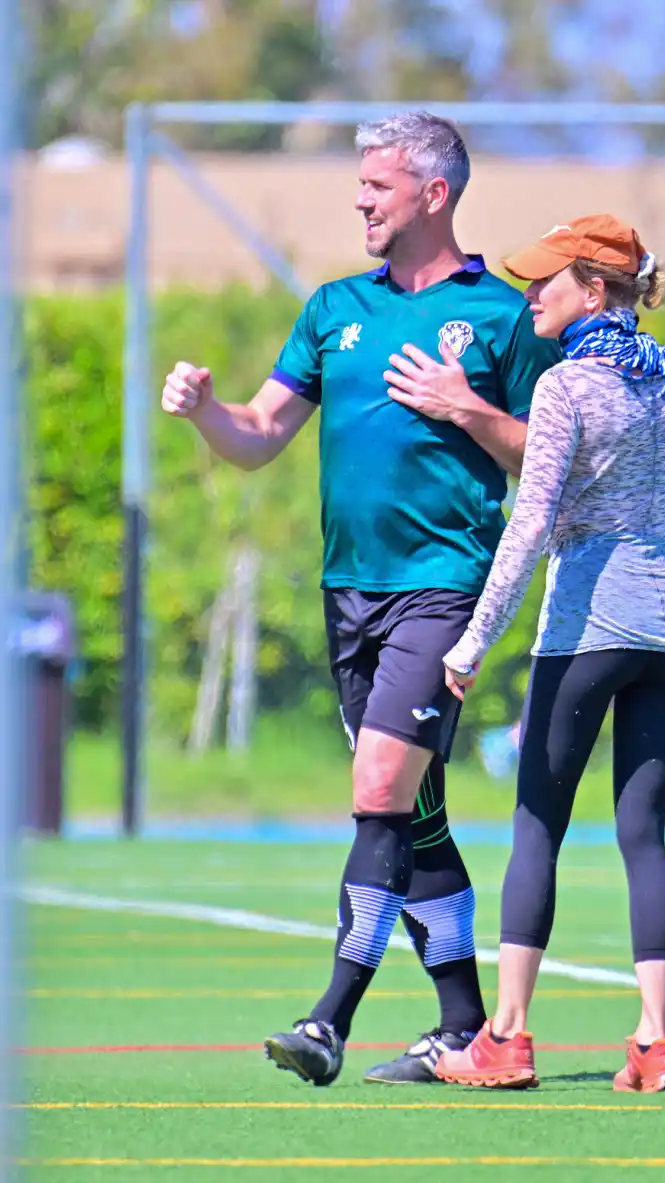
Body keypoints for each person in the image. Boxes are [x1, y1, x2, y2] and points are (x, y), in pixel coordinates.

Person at [160, 111, 559, 1086]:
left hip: (443, 587)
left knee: (380, 790)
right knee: (414, 812)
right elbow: (259, 432)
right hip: (350, 597)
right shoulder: (333, 307)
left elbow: (552, 460)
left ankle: (328, 1019)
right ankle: (470, 1032)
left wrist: (467, 408)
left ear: (433, 193)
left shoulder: (502, 318)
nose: (358, 201)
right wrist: (208, 410)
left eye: (376, 186)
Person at [434, 214, 665, 1092]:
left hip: (586, 623)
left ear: (594, 288)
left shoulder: (568, 384)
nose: (532, 294)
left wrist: (472, 641)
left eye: (546, 280)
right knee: (642, 834)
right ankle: (655, 1043)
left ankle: (507, 1036)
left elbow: (531, 521)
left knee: (537, 822)